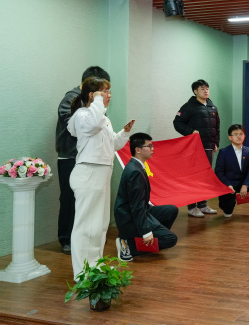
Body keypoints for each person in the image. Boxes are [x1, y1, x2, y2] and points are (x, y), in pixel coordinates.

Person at [67, 76, 134, 279]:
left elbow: (113, 144)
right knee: (85, 226)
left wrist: (124, 133)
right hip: (88, 173)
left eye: (108, 91)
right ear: (92, 95)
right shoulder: (82, 114)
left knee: (99, 225)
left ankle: (94, 266)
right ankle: (82, 273)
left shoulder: (102, 117)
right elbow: (92, 126)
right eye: (104, 91)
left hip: (102, 173)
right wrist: (98, 101)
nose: (109, 95)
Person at [55, 66, 110, 255]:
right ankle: (67, 239)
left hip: (90, 157)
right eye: (103, 89)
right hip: (71, 156)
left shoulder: (94, 102)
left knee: (90, 201)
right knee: (70, 199)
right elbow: (80, 126)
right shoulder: (72, 98)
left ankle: (88, 237)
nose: (106, 93)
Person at [114, 133, 178, 261]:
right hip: (129, 217)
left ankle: (149, 240)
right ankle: (128, 245)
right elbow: (136, 206)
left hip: (142, 210)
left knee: (171, 210)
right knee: (170, 239)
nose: (152, 149)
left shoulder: (137, 166)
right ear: (138, 150)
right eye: (149, 146)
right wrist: (146, 231)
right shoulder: (135, 171)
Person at [173, 79, 220, 217]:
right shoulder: (189, 107)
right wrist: (190, 132)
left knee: (205, 178)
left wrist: (216, 142)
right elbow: (177, 122)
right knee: (194, 178)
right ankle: (192, 207)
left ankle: (203, 205)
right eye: (202, 89)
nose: (206, 91)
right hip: (194, 148)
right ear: (195, 91)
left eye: (207, 88)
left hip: (209, 148)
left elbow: (217, 127)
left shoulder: (212, 107)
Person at [215, 124, 249, 219]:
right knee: (227, 212)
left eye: (241, 134)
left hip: (244, 182)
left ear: (244, 136)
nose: (239, 136)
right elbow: (219, 172)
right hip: (230, 184)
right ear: (230, 137)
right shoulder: (224, 152)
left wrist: (245, 185)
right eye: (235, 134)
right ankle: (227, 207)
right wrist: (227, 185)